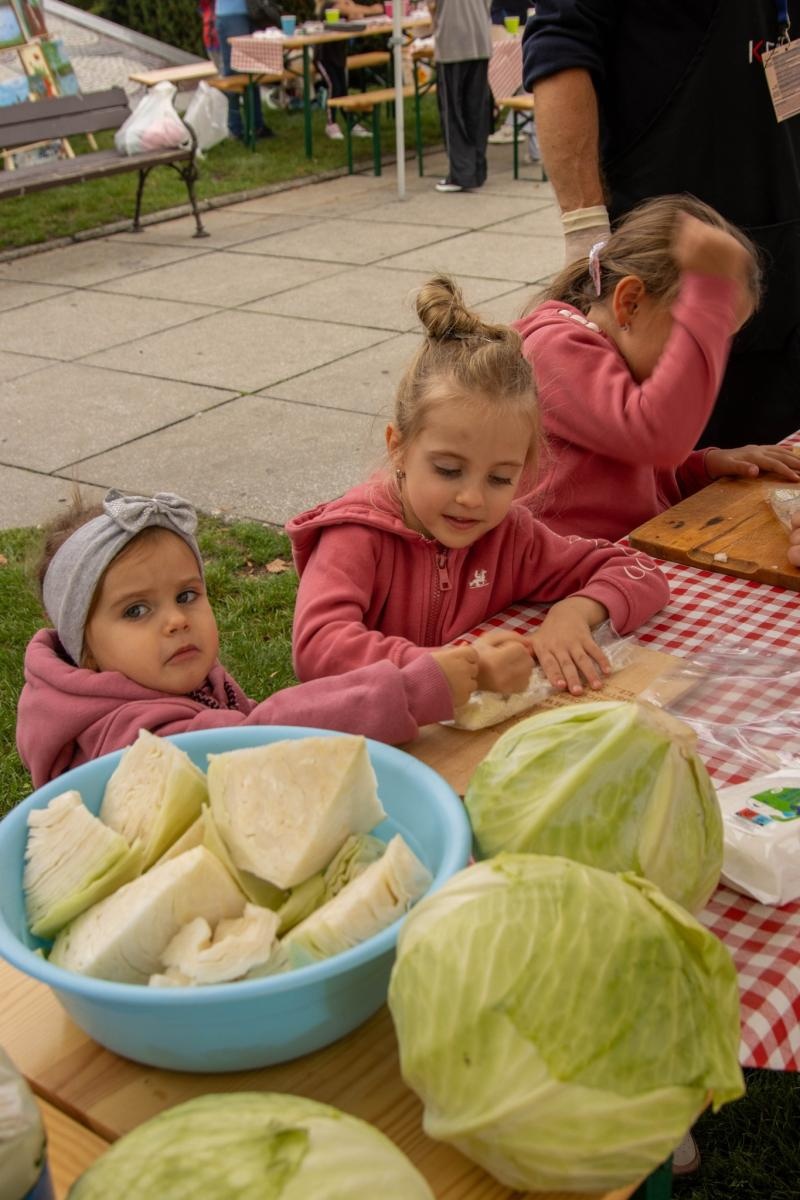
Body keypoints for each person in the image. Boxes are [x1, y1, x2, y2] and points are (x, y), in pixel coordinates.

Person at [286, 275, 670, 702]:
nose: (472, 498)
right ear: (398, 447)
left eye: (500, 478)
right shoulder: (355, 536)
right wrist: (457, 669)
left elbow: (637, 571)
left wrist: (575, 613)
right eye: (449, 470)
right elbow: (318, 649)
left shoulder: (510, 536)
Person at [16, 489, 479, 789]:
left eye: (186, 594)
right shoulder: (130, 736)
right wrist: (412, 690)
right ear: (86, 649)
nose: (176, 620)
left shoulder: (159, 672)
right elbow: (260, 739)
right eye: (136, 610)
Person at [522, 1, 800, 448]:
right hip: (666, 259)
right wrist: (585, 231)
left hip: (781, 240)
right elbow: (561, 44)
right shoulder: (559, 351)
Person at [514, 195, 800, 542]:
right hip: (555, 575)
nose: (701, 361)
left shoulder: (617, 357)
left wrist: (704, 465)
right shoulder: (554, 348)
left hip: (622, 555)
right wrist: (708, 297)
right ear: (630, 303)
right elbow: (652, 438)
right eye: (695, 335)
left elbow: (624, 475)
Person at [430, 0, 493, 192]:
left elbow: (432, 6)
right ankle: (476, 169)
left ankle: (462, 173)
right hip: (480, 37)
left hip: (453, 41)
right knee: (476, 109)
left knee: (452, 112)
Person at [316, 0, 380, 140]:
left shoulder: (346, 4)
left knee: (343, 90)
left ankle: (352, 123)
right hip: (324, 57)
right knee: (335, 88)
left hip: (339, 56)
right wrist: (372, 9)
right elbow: (346, 10)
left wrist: (357, 12)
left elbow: (355, 15)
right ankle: (331, 123)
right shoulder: (329, 6)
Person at [215, 0, 274, 141]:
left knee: (252, 71)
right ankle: (235, 127)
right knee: (235, 72)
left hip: (251, 12)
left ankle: (256, 124)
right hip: (232, 14)